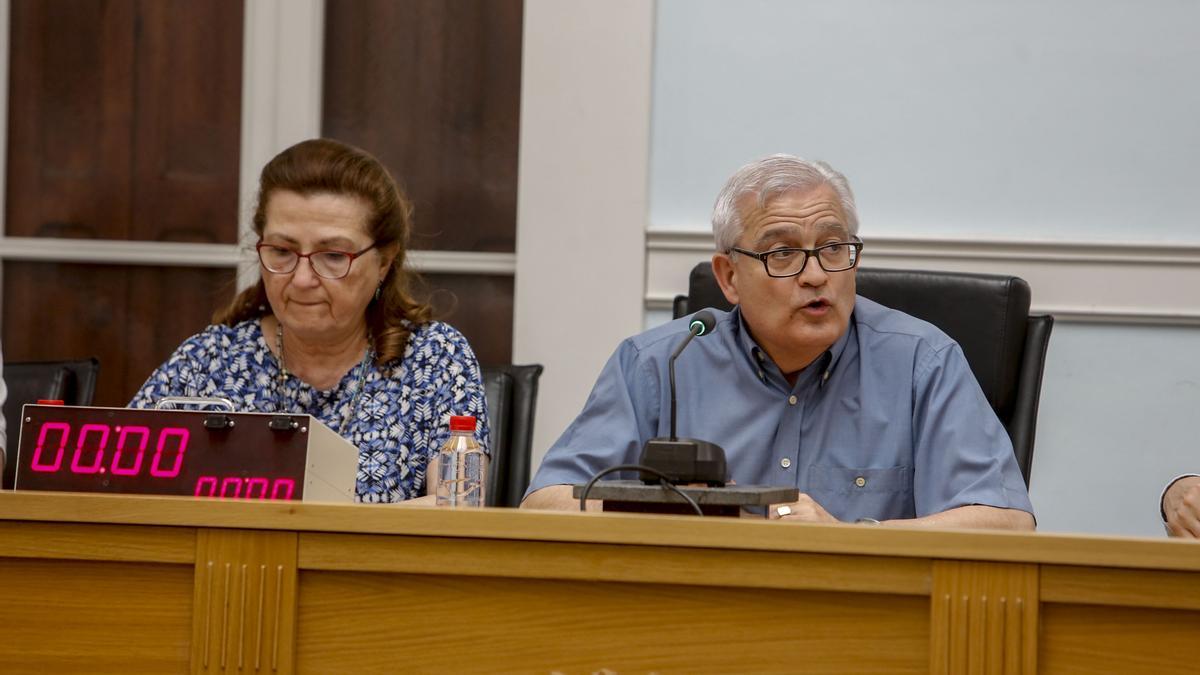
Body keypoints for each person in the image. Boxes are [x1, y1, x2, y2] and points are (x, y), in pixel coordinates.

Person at [522, 154, 1034, 529]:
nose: (816, 275)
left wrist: (849, 539)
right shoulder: (659, 365)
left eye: (833, 247)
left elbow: (1006, 523)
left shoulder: (923, 361)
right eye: (782, 254)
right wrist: (677, 516)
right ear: (728, 277)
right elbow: (544, 504)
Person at [130, 138, 489, 503]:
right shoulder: (209, 360)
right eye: (282, 252)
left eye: (333, 256)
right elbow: (117, 493)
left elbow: (458, 506)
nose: (301, 279)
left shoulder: (434, 358)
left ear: (384, 262)